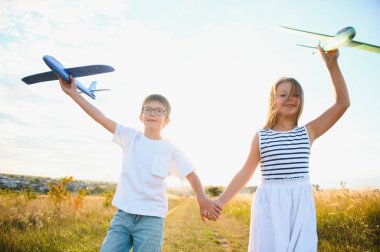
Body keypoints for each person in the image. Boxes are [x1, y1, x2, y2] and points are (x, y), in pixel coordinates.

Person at [210, 45, 350, 251]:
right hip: (270, 205)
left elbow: (342, 103)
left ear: (301, 100)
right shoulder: (261, 136)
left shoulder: (308, 132)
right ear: (273, 100)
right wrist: (220, 202)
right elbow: (245, 173)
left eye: (295, 95)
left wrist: (332, 65)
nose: (290, 99)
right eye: (283, 95)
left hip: (300, 204)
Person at [58, 76, 222, 252]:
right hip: (123, 216)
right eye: (148, 109)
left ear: (167, 121)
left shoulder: (171, 149)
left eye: (159, 111)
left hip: (151, 220)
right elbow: (100, 118)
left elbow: (191, 174)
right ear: (141, 116)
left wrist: (202, 198)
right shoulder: (130, 138)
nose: (153, 113)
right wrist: (74, 94)